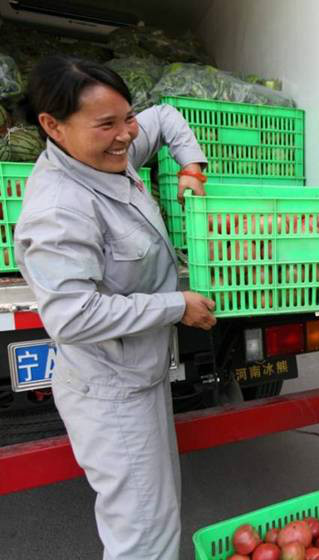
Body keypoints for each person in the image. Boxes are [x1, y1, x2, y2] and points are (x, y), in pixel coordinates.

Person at [14, 55, 217, 560]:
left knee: (158, 513)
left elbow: (165, 116)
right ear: (52, 126)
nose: (126, 134)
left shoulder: (109, 149)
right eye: (107, 124)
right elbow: (72, 315)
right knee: (142, 535)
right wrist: (175, 306)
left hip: (138, 374)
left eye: (126, 117)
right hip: (111, 394)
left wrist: (190, 165)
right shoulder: (61, 209)